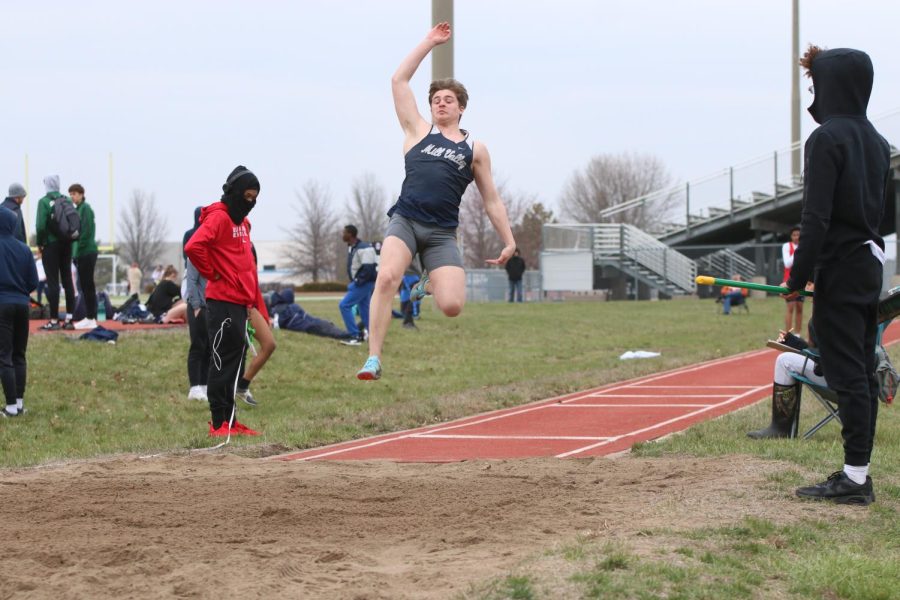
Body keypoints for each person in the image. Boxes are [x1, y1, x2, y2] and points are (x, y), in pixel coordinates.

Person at [357, 22, 516, 380]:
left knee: (452, 306)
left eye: (448, 100)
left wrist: (509, 240)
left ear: (461, 108)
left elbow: (491, 200)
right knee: (386, 277)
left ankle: (427, 282)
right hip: (406, 221)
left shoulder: (475, 149)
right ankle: (373, 357)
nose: (440, 103)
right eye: (435, 100)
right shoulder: (417, 130)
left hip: (442, 233)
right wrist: (429, 42)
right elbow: (398, 81)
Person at [783, 46, 891, 506]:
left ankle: (854, 479)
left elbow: (817, 218)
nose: (813, 95)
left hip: (842, 269)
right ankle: (857, 472)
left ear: (832, 86)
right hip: (870, 265)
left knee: (847, 374)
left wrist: (798, 279)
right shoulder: (879, 142)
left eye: (815, 86)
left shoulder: (826, 139)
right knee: (862, 372)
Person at [184, 165, 265, 437]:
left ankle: (230, 420)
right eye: (247, 196)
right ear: (236, 193)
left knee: (234, 363)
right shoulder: (218, 218)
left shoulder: (242, 221)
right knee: (221, 363)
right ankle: (218, 423)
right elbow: (193, 246)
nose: (251, 203)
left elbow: (245, 262)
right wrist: (212, 272)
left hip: (241, 301)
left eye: (255, 197)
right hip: (222, 302)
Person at [747, 329, 824, 439]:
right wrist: (793, 341)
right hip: (854, 385)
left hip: (837, 380)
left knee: (784, 360)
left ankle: (780, 429)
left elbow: (820, 359)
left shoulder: (827, 317)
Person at [0, 206, 38, 417]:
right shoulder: (24, 249)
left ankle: (11, 406)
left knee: (4, 356)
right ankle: (20, 404)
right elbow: (33, 281)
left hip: (2, 305)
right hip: (22, 305)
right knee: (19, 354)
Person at [35, 175, 77, 330]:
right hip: (67, 244)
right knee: (68, 281)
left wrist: (40, 243)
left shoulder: (44, 202)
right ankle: (69, 319)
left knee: (53, 282)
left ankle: (54, 320)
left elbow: (40, 226)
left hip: (51, 245)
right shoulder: (66, 200)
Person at [183, 208, 209, 401]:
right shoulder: (194, 253)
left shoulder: (212, 252)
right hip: (197, 306)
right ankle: (194, 386)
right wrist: (196, 305)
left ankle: (205, 384)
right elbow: (191, 282)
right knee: (198, 345)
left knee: (209, 346)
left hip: (211, 306)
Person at [339, 225, 377, 346]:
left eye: (344, 232)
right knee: (364, 309)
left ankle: (355, 336)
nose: (342, 235)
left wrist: (357, 282)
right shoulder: (353, 247)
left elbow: (369, 268)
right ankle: (374, 336)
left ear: (350, 234)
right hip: (361, 283)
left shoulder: (364, 248)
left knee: (344, 305)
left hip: (363, 283)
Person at [69, 184, 99, 330]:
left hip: (87, 252)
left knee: (88, 286)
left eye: (74, 194)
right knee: (84, 286)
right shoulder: (77, 209)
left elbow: (86, 232)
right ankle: (89, 316)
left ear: (81, 194)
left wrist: (78, 252)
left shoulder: (85, 209)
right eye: (71, 194)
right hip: (81, 252)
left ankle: (91, 317)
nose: (72, 197)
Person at [782, 226, 804, 333]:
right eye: (794, 235)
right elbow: (787, 263)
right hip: (789, 281)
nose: (796, 237)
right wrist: (798, 250)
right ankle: (788, 334)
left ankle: (798, 334)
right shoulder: (787, 246)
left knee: (800, 308)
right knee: (790, 308)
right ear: (791, 236)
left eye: (798, 235)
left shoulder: (804, 247)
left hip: (802, 281)